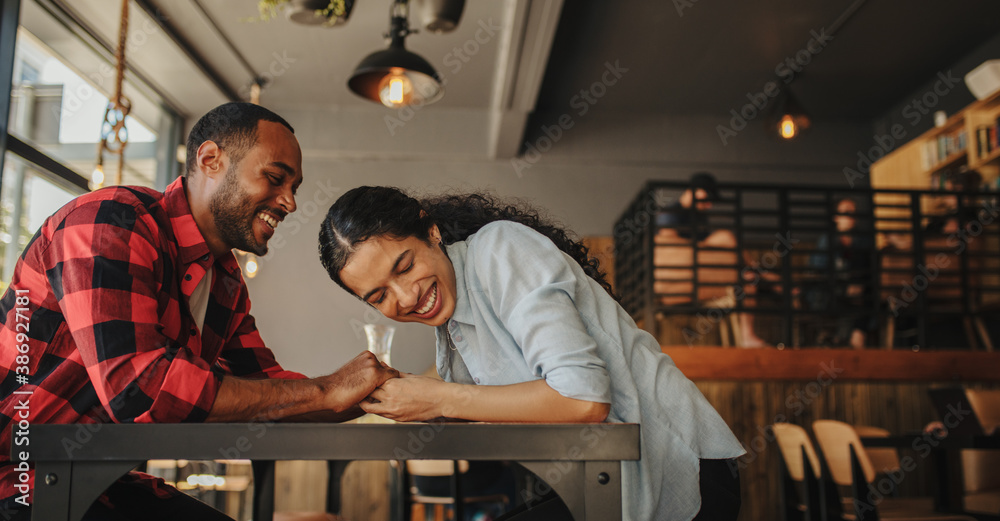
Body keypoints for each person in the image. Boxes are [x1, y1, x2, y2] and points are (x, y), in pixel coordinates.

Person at [0, 103, 397, 521]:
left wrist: (378, 392)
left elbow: (269, 393)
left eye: (294, 188)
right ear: (210, 160)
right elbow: (138, 390)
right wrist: (326, 391)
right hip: (20, 482)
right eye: (276, 179)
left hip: (92, 482)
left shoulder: (226, 282)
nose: (290, 203)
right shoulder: (107, 221)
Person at [318, 187, 746, 521]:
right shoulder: (452, 321)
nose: (406, 297)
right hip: (602, 487)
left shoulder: (501, 250)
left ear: (431, 232)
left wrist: (438, 397)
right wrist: (401, 400)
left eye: (405, 266)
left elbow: (583, 400)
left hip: (680, 469)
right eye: (379, 296)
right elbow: (507, 410)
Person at [655, 173, 768, 348]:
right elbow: (667, 242)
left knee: (745, 276)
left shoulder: (700, 218)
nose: (709, 205)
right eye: (707, 199)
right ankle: (765, 275)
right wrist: (704, 245)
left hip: (702, 276)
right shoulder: (672, 213)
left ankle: (747, 335)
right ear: (696, 191)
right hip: (678, 281)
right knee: (728, 239)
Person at [807, 198, 875, 349]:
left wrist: (858, 285)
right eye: (845, 212)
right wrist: (844, 287)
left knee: (866, 296)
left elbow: (867, 271)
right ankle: (845, 338)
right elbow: (817, 271)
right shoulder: (827, 241)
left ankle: (854, 336)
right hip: (830, 292)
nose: (850, 216)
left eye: (853, 213)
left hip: (858, 294)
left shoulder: (862, 241)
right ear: (835, 217)